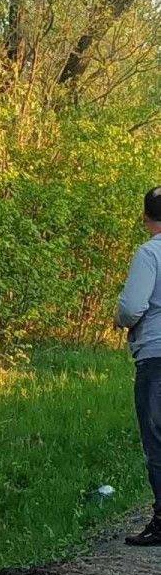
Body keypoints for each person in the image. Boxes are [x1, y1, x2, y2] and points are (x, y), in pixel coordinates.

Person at [116, 185, 161, 546]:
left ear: (147, 219)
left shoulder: (149, 253)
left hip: (156, 356)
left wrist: (121, 320)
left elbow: (132, 307)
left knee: (157, 440)